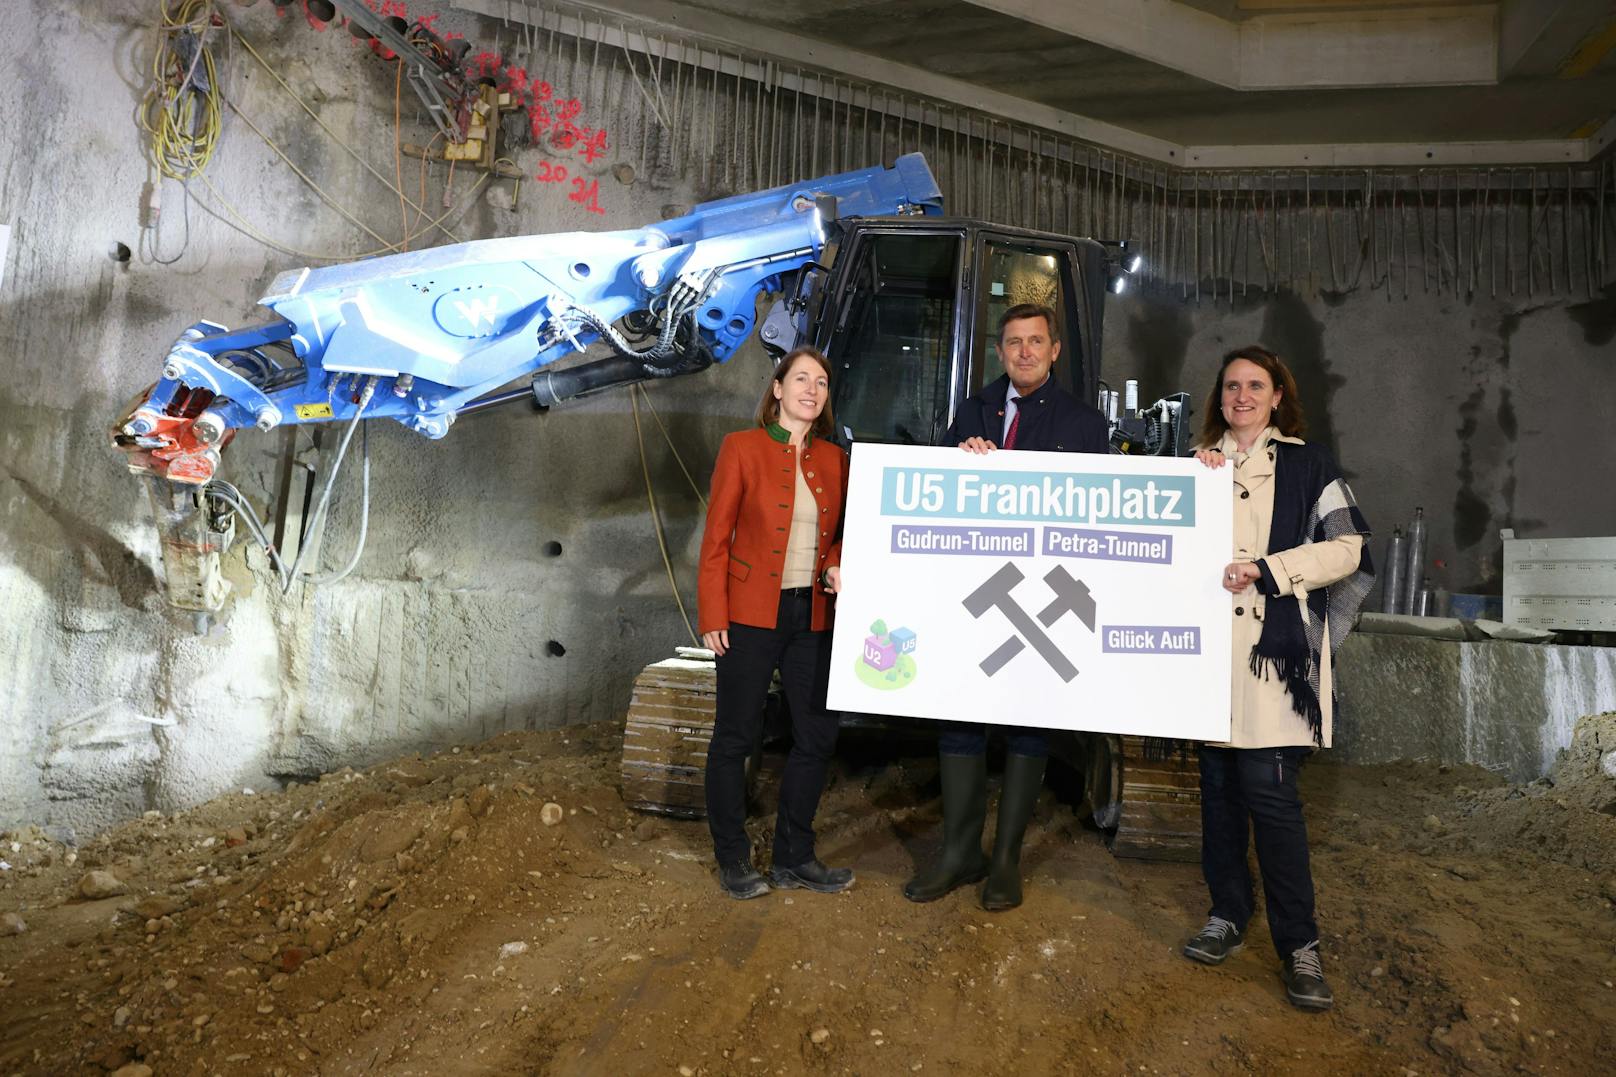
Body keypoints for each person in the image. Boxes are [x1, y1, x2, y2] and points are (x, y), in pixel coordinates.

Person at [1181, 345, 1372, 1012]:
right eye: (1230, 385)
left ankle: (1300, 946)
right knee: (1217, 795)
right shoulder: (1195, 468)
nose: (1241, 395)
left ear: (1277, 396)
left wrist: (1269, 569)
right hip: (1205, 661)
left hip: (1275, 664)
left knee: (1273, 802)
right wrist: (1189, 484)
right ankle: (1227, 913)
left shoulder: (1309, 465)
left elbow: (1350, 547)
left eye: (1254, 385)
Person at [903, 302, 1110, 912]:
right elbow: (941, 493)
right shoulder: (972, 410)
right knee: (959, 718)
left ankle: (1005, 862)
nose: (1024, 352)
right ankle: (959, 853)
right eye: (1013, 342)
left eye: (1035, 342)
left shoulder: (1083, 423)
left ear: (1053, 352)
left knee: (1028, 722)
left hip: (1043, 599)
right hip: (976, 593)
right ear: (1000, 352)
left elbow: (1094, 516)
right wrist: (958, 458)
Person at [697, 346, 852, 900]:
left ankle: (794, 856)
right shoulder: (740, 449)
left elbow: (840, 536)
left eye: (823, 382)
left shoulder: (835, 460)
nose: (813, 389)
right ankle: (733, 857)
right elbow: (715, 541)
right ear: (778, 389)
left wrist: (835, 563)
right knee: (735, 736)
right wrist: (714, 613)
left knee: (816, 736)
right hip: (749, 614)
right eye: (802, 379)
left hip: (812, 614)